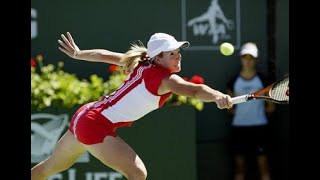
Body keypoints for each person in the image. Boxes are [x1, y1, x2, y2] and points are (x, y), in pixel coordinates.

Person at [31, 32, 233, 180]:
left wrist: (78, 54)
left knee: (47, 169)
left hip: (85, 116)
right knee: (137, 173)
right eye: (172, 53)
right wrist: (217, 96)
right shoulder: (165, 80)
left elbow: (104, 55)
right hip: (94, 123)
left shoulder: (143, 63)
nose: (178, 55)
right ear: (158, 58)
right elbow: (196, 91)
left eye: (178, 51)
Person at [226, 42, 276, 180]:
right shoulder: (233, 81)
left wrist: (257, 114)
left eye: (251, 58)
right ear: (241, 59)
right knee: (239, 170)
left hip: (260, 128)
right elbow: (229, 109)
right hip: (239, 129)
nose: (248, 61)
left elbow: (271, 106)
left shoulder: (263, 80)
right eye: (245, 57)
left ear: (256, 60)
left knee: (264, 169)